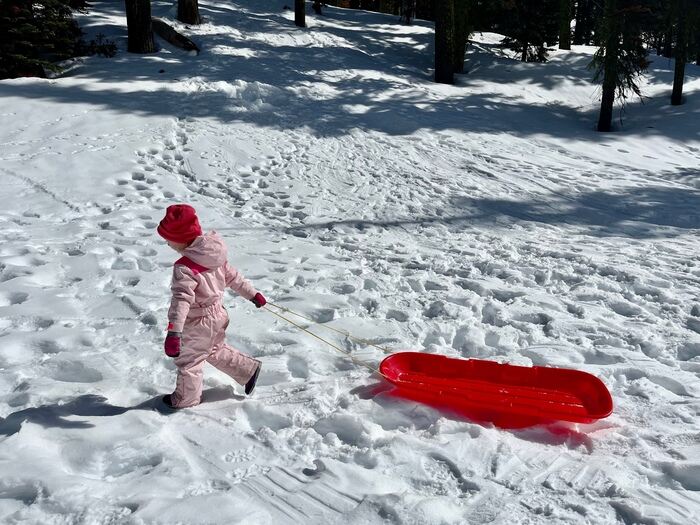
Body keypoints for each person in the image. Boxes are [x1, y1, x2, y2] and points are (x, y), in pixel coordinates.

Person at [157, 204, 267, 408]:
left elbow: (181, 301)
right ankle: (247, 370)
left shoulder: (185, 267)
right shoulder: (212, 254)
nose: (166, 243)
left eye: (168, 238)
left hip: (197, 321)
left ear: (181, 239)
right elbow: (234, 278)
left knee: (190, 360)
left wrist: (174, 332)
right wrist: (253, 294)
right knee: (214, 349)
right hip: (218, 316)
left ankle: (186, 400)